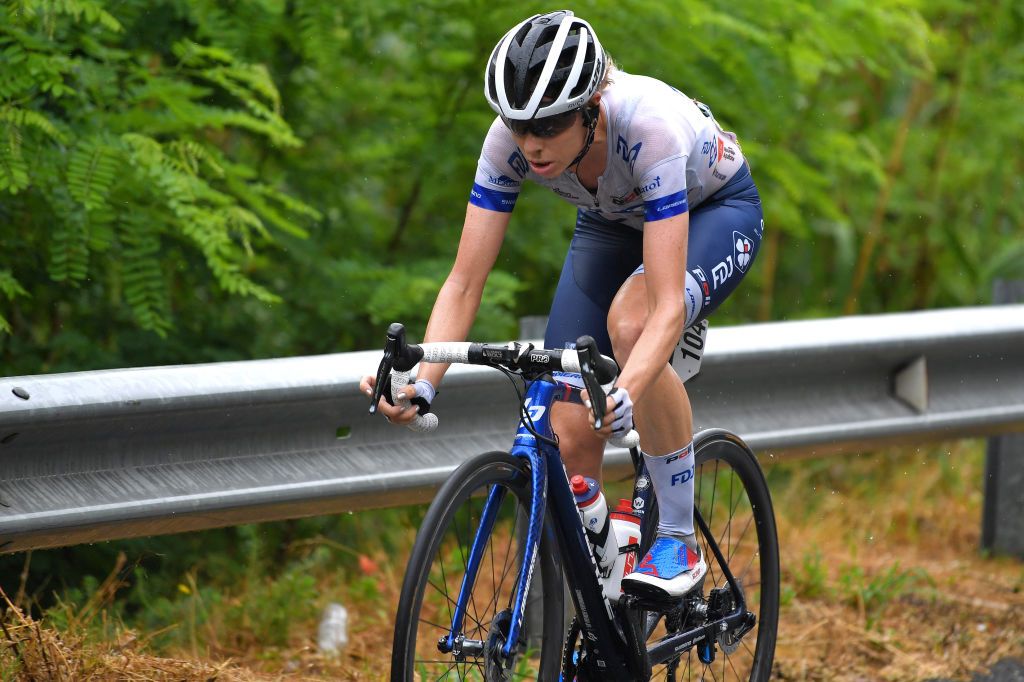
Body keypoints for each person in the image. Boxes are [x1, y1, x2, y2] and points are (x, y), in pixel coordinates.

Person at [360, 10, 763, 601]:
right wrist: (424, 381)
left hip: (713, 211)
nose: (531, 143)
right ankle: (607, 603)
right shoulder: (509, 144)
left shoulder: (648, 128)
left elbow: (664, 312)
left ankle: (677, 537)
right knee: (568, 427)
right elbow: (465, 281)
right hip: (610, 223)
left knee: (632, 321)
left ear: (591, 109)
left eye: (548, 125)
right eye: (519, 125)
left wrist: (626, 388)